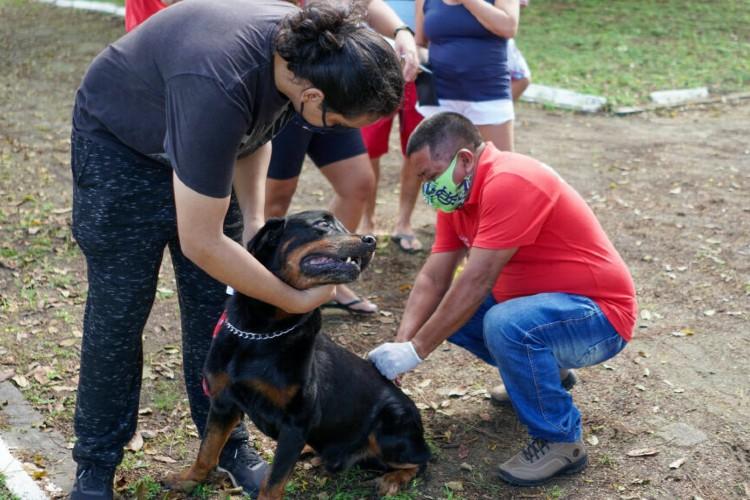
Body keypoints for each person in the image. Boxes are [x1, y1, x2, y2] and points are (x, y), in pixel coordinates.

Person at [69, 1, 404, 498]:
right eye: (337, 123)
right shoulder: (219, 82)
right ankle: (96, 460)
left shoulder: (300, 59)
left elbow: (257, 130)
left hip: (199, 139)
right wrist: (293, 300)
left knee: (220, 315)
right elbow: (201, 241)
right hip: (124, 151)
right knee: (118, 317)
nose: (335, 133)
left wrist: (253, 219)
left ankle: (228, 447)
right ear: (313, 95)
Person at [368, 112, 637, 486]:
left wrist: (417, 350)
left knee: (503, 323)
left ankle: (561, 440)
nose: (428, 187)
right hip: (551, 312)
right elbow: (434, 277)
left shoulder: (510, 181)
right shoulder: (458, 197)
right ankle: (545, 375)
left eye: (430, 175)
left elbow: (477, 280)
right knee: (455, 307)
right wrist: (401, 348)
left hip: (599, 319)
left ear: (464, 159)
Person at [265, 0, 420, 314]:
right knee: (275, 197)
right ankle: (270, 285)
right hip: (296, 86)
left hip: (339, 87)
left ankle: (329, 278)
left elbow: (365, 2)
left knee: (358, 183)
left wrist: (401, 31)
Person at [413, 0, 519, 151]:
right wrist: (415, 60)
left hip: (488, 94)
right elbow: (420, 43)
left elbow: (508, 27)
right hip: (438, 96)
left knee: (497, 168)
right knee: (436, 169)